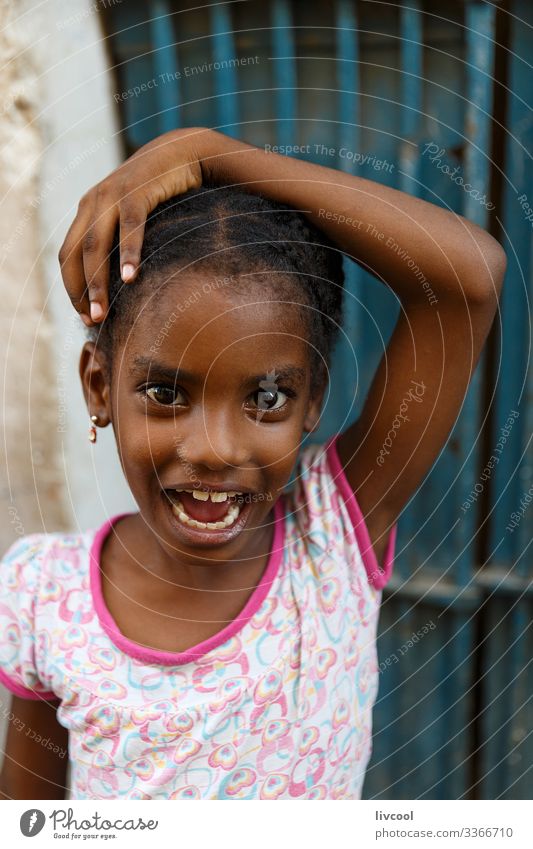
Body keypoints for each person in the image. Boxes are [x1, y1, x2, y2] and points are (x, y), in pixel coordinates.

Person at [0, 128, 506, 800]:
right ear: (98, 386)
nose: (213, 448)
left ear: (311, 402)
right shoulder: (44, 596)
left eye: (266, 397)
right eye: (166, 393)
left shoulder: (327, 543)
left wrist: (210, 154)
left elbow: (469, 275)